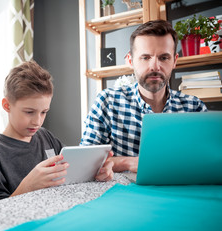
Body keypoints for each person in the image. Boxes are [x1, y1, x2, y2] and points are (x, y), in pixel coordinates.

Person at [80, 20, 207, 173]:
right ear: (130, 60)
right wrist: (127, 163)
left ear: (175, 61)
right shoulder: (107, 102)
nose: (155, 66)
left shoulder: (194, 108)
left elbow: (208, 160)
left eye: (164, 58)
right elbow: (84, 162)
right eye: (145, 57)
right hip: (123, 194)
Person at [0, 60, 114, 201]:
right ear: (7, 105)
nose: (37, 121)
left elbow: (70, 174)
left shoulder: (45, 136)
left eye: (44, 112)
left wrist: (97, 171)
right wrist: (28, 185)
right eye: (29, 112)